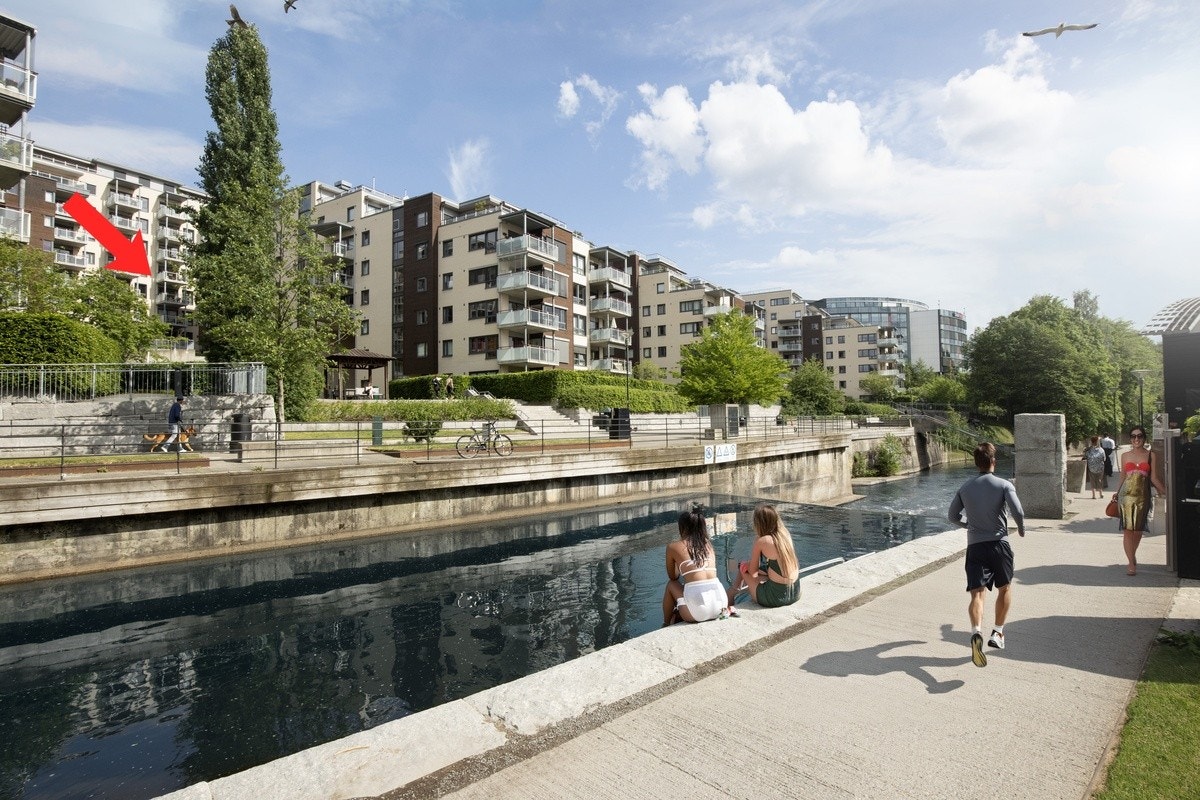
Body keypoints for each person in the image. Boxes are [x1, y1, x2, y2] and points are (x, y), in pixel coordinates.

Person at [948, 442, 1026, 667]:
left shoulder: (965, 488)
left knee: (977, 595)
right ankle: (998, 633)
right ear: (994, 461)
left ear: (976, 463)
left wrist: (968, 526)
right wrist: (1020, 529)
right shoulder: (1003, 485)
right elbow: (1018, 511)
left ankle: (976, 632)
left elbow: (952, 515)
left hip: (975, 547)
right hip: (999, 545)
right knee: (1005, 588)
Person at [725, 503, 801, 610]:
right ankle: (735, 592)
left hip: (775, 598)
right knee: (761, 568)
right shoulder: (785, 534)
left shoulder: (762, 541)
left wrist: (746, 565)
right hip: (795, 592)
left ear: (758, 523)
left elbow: (753, 573)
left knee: (742, 567)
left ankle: (733, 592)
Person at [1113, 426, 1166, 576]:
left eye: (1140, 436)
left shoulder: (1151, 455)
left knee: (1138, 531)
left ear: (1144, 438)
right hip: (1126, 497)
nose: (1136, 439)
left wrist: (1165, 491)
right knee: (1128, 530)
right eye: (1133, 436)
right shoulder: (1124, 456)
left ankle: (1132, 553)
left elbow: (1154, 477)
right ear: (1130, 439)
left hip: (1143, 497)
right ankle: (1131, 562)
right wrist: (1116, 493)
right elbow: (1122, 476)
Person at [662, 507, 727, 625]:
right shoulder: (708, 544)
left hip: (698, 613)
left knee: (672, 585)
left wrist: (679, 565)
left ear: (682, 528)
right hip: (721, 606)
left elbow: (673, 577)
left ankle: (666, 624)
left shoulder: (673, 547)